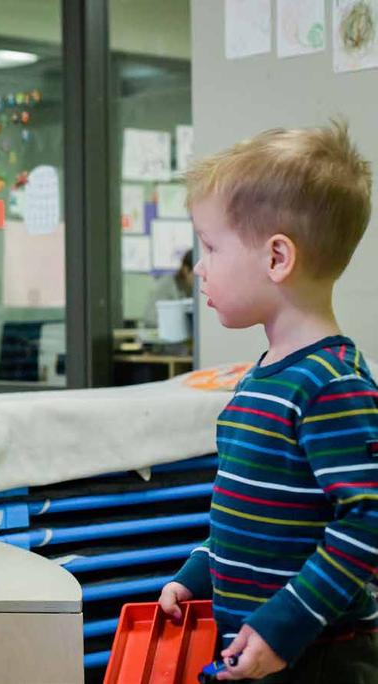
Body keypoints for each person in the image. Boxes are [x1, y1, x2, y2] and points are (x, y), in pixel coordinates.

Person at [157, 122, 378, 682]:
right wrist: (197, 572)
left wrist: (287, 624)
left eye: (210, 246)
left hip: (319, 655)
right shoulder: (261, 379)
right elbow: (250, 513)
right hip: (257, 646)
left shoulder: (330, 385)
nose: (199, 266)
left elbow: (369, 518)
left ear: (277, 257)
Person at [143, 249, 194, 327]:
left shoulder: (193, 290)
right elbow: (150, 318)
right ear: (185, 270)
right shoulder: (167, 284)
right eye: (196, 275)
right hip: (161, 334)